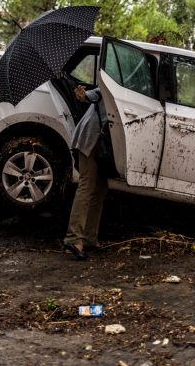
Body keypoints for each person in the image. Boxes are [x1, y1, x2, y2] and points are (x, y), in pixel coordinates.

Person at [62, 84, 109, 260]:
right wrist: (82, 95)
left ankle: (89, 237)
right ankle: (73, 239)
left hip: (102, 143)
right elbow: (94, 94)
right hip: (90, 139)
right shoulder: (111, 84)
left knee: (100, 187)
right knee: (87, 185)